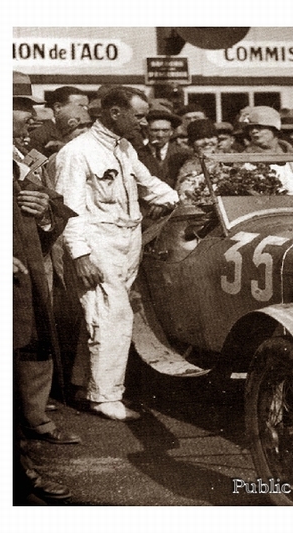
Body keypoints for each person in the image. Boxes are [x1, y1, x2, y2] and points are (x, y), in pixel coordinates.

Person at [54, 86, 179, 421]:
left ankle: (85, 384)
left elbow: (149, 184)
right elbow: (69, 210)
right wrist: (81, 256)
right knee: (113, 316)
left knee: (100, 316)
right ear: (114, 113)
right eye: (138, 115)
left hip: (127, 240)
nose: (143, 122)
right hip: (98, 243)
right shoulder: (77, 152)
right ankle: (105, 396)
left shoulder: (124, 148)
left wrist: (173, 198)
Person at [13, 72, 78, 504]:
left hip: (26, 275)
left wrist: (44, 214)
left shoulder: (24, 154)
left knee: (31, 345)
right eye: (19, 111)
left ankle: (30, 432)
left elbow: (54, 205)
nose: (29, 120)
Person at [136, 102, 192, 187]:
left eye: (165, 130)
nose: (160, 135)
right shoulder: (135, 155)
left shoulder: (184, 154)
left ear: (171, 132)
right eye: (155, 130)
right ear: (146, 131)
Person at [28, 85, 89, 156]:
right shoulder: (38, 136)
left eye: (86, 107)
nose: (85, 110)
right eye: (80, 106)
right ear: (58, 107)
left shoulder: (86, 130)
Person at [175, 119, 222, 205]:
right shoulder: (187, 167)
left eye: (210, 137)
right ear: (191, 143)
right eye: (200, 138)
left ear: (218, 139)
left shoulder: (230, 160)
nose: (207, 142)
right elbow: (182, 192)